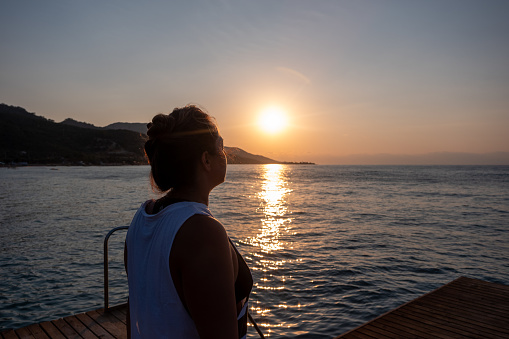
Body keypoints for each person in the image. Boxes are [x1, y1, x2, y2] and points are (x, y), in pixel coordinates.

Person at [124, 105, 253, 339]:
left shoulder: (141, 219)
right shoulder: (203, 233)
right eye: (221, 147)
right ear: (206, 159)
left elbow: (135, 309)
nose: (226, 154)